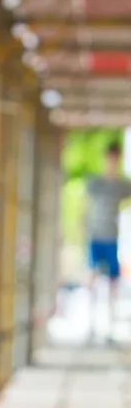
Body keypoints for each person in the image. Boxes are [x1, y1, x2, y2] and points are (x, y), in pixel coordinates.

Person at [85, 139, 131, 341]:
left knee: (113, 282)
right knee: (93, 280)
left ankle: (110, 327)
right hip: (96, 236)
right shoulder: (95, 184)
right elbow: (84, 208)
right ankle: (91, 325)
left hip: (112, 238)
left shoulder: (122, 186)